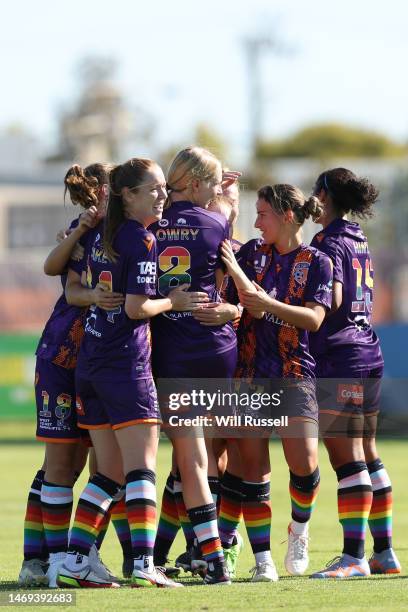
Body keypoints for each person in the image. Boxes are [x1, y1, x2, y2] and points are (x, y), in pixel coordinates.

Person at [57, 157, 205, 589]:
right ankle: (144, 564)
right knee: (141, 468)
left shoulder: (104, 234)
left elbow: (78, 290)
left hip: (93, 362)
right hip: (125, 363)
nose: (163, 196)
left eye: (164, 188)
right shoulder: (139, 240)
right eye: (154, 189)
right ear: (128, 194)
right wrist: (173, 303)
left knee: (109, 473)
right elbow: (137, 308)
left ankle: (74, 560)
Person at [221, 184, 333, 581]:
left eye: (263, 213)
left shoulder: (318, 261)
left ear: (287, 215)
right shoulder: (252, 253)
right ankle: (263, 560)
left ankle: (299, 531)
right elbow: (218, 244)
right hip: (249, 375)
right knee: (254, 470)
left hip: (293, 373)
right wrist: (228, 207)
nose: (257, 221)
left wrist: (266, 306)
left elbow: (314, 319)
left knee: (304, 465)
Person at [17, 163, 117, 588]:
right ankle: (46, 561)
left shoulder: (127, 231)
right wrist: (78, 230)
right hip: (64, 357)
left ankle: (72, 556)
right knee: (61, 464)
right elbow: (56, 274)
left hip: (101, 361)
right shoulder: (86, 230)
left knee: (100, 464)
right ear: (101, 191)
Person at [150, 146, 238, 585]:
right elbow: (224, 223)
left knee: (188, 458)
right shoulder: (217, 221)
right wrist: (230, 198)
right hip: (216, 348)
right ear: (199, 183)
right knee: (200, 458)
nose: (218, 189)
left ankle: (209, 557)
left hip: (171, 350)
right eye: (216, 181)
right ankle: (199, 553)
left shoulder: (148, 224)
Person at [308, 168, 401, 578]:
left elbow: (334, 299)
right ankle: (384, 552)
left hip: (339, 356)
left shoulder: (326, 242)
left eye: (315, 191)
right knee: (368, 452)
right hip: (368, 350)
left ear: (324, 195)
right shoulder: (358, 238)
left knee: (346, 458)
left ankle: (353, 557)